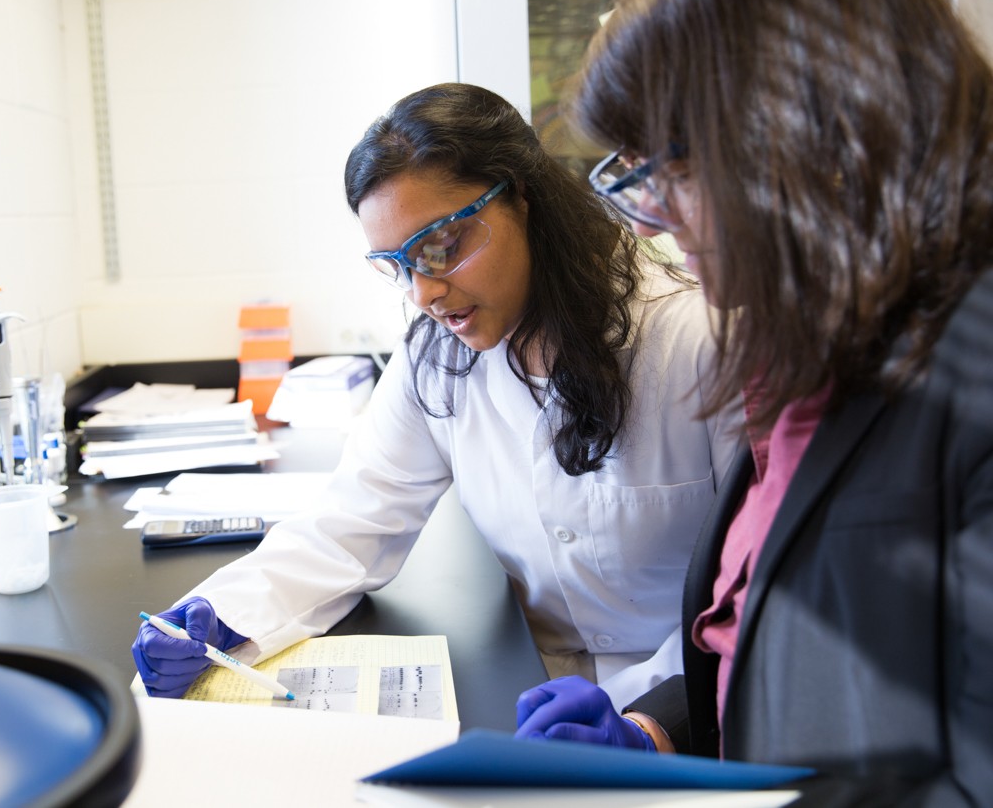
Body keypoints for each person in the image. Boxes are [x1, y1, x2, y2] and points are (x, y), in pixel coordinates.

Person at [512, 0, 993, 803]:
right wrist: (659, 731)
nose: (653, 217)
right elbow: (784, 643)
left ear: (815, 122)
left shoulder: (973, 359)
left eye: (673, 168)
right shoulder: (807, 352)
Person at [133, 82, 741, 712]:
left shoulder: (696, 338)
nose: (423, 293)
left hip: (699, 699)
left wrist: (652, 716)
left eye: (442, 249)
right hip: (541, 686)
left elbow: (758, 590)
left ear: (523, 197)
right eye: (398, 264)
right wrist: (217, 614)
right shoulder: (439, 357)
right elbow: (352, 524)